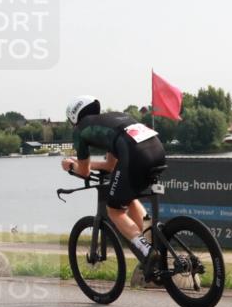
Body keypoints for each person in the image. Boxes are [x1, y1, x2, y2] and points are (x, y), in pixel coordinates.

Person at [60, 95, 166, 259]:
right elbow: (110, 165)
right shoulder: (112, 118)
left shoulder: (80, 129)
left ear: (74, 116)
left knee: (114, 210)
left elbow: (83, 172)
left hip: (134, 155)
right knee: (129, 198)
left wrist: (70, 164)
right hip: (157, 150)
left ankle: (147, 250)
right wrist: (90, 165)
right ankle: (153, 241)